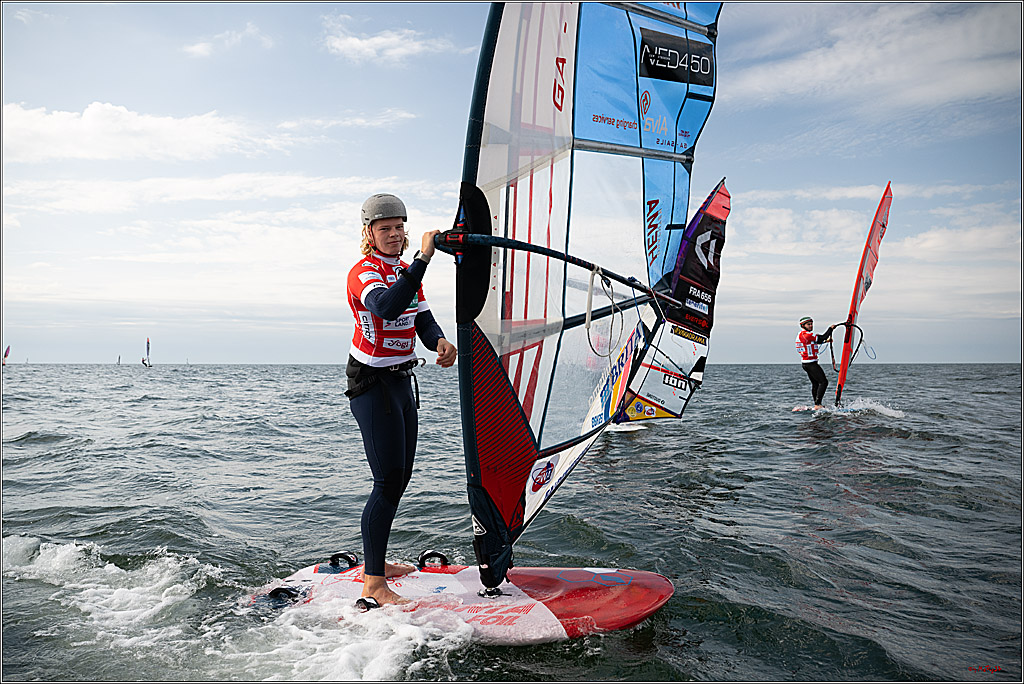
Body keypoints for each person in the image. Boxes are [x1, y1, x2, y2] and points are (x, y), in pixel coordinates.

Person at [345, 193, 457, 608]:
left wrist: (439, 341)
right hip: (372, 384)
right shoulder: (365, 272)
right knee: (387, 480)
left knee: (400, 478)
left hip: (401, 380)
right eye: (385, 228)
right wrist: (424, 259)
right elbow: (388, 307)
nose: (394, 234)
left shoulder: (403, 270)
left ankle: (377, 563)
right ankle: (372, 583)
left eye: (399, 228)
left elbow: (421, 317)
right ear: (369, 233)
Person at [795, 316, 836, 409]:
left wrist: (826, 341)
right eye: (808, 324)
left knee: (815, 384)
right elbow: (822, 337)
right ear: (803, 325)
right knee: (824, 382)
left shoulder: (802, 336)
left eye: (811, 324)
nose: (811, 326)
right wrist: (831, 329)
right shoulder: (806, 335)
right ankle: (818, 404)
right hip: (810, 364)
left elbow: (814, 342)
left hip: (806, 363)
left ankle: (817, 404)